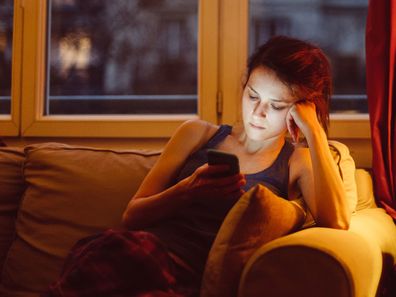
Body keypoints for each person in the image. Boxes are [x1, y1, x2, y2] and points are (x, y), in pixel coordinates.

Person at [42, 36, 350, 297]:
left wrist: (315, 132)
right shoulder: (197, 133)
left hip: (185, 279)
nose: (258, 112)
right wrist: (187, 191)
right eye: (252, 96)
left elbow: (336, 221)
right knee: (114, 253)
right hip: (140, 251)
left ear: (301, 109)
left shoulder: (296, 161)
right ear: (243, 83)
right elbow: (132, 215)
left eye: (277, 106)